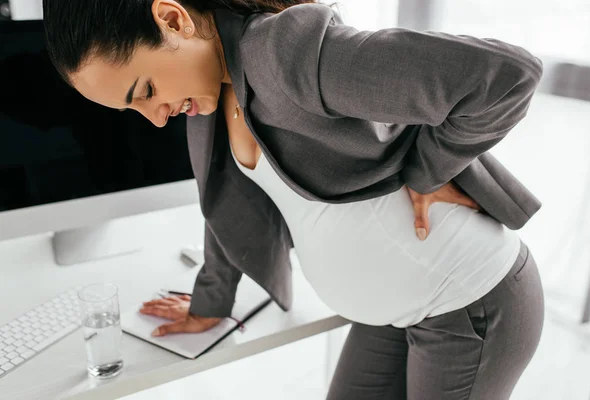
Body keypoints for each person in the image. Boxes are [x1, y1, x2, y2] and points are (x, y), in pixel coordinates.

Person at [42, 0, 545, 398]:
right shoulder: (207, 97)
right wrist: (211, 302)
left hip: (468, 302)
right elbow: (223, 203)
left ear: (172, 19)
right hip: (392, 312)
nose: (155, 117)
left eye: (146, 89)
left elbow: (505, 76)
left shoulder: (281, 52)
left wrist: (428, 173)